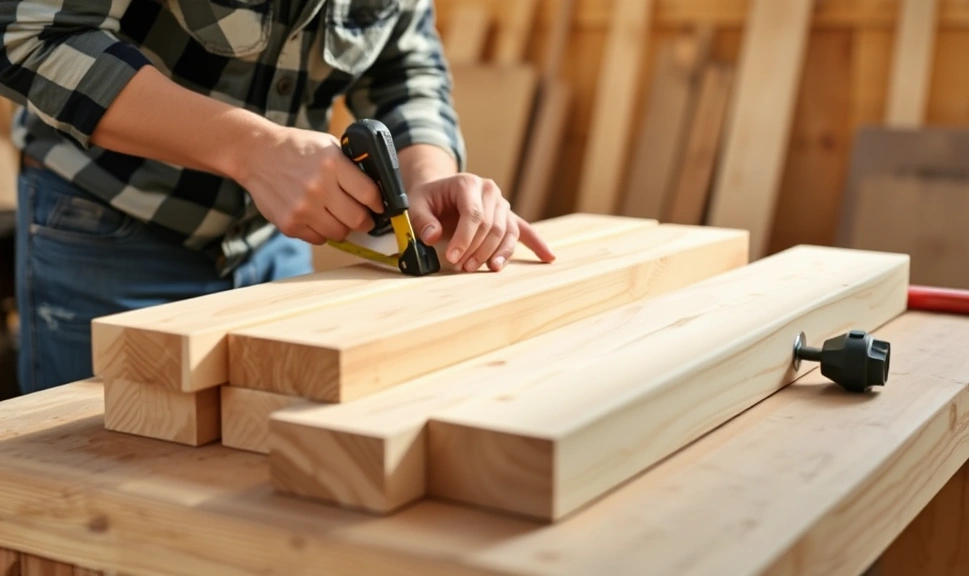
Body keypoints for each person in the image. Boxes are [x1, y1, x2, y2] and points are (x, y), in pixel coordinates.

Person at [0, 0, 556, 394]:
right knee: (95, 498)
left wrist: (428, 174)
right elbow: (31, 36)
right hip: (109, 228)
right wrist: (252, 150)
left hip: (276, 245)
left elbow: (405, 71)